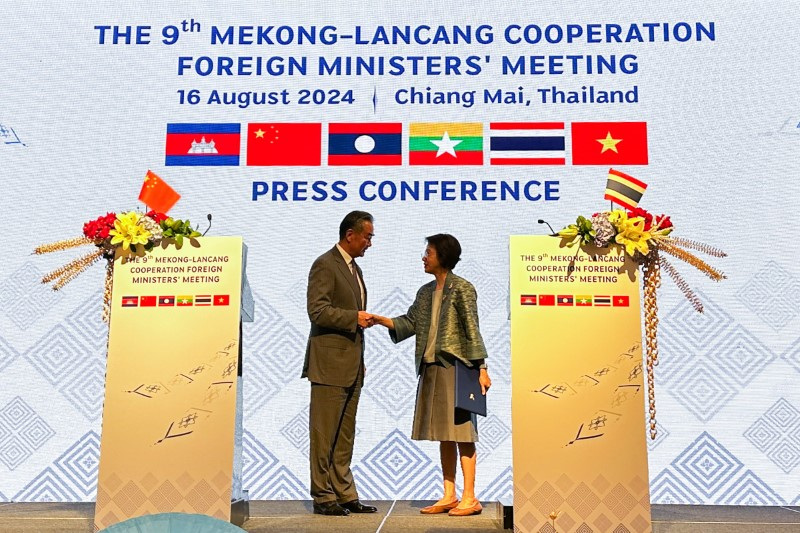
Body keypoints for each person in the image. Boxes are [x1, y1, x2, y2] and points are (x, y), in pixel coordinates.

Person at [372, 234, 491, 517]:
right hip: (431, 368)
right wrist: (379, 320)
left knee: (462, 433)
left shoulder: (462, 288)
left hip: (458, 368)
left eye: (428, 252)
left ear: (443, 256)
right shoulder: (425, 292)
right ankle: (449, 494)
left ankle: (470, 496)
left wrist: (482, 368)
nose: (424, 257)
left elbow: (471, 329)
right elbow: (410, 322)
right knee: (443, 435)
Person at [302, 210, 378, 516]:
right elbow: (317, 311)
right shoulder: (325, 264)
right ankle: (323, 496)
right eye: (368, 237)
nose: (370, 243)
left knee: (345, 435)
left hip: (352, 364)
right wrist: (353, 318)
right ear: (351, 235)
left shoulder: (354, 269)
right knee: (324, 434)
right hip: (329, 364)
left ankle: (345, 493)